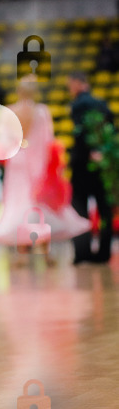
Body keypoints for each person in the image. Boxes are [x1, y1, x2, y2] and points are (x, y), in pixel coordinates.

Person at [0, 77, 90, 265]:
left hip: (17, 164)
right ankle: (45, 254)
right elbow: (48, 141)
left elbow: (4, 142)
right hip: (38, 164)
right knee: (40, 206)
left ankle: (21, 255)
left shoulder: (10, 112)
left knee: (19, 207)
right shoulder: (42, 111)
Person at [67, 71, 114, 264]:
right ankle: (104, 253)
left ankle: (82, 253)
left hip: (82, 166)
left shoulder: (78, 105)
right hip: (103, 166)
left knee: (80, 208)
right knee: (105, 210)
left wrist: (89, 151)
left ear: (78, 83)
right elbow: (112, 132)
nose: (69, 90)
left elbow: (81, 133)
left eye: (70, 85)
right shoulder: (103, 104)